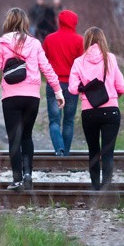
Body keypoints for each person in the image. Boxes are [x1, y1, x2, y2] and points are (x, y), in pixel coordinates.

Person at [0, 8, 65, 191]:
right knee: (27, 136)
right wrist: (58, 91)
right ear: (25, 23)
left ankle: (17, 180)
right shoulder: (34, 44)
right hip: (32, 97)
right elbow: (47, 68)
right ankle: (28, 175)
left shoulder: (0, 44)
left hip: (11, 97)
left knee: (14, 138)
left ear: (8, 22)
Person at [68, 27, 124, 190]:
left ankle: (95, 188)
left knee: (93, 151)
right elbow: (122, 87)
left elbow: (72, 89)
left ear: (85, 41)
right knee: (108, 153)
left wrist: (84, 88)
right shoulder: (110, 58)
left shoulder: (78, 62)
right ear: (103, 40)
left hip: (89, 112)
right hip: (111, 112)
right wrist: (113, 96)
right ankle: (106, 191)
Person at [42, 9, 84, 156]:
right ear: (74, 22)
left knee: (54, 120)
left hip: (54, 85)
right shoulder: (79, 40)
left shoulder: (49, 39)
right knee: (69, 121)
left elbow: (44, 61)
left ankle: (59, 149)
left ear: (59, 21)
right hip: (72, 86)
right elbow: (81, 64)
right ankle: (65, 154)